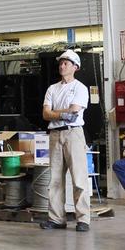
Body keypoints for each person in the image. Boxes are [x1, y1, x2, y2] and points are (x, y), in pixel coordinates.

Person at [39, 49, 92, 232]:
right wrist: (63, 114)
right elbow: (45, 114)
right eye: (61, 63)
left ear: (75, 67)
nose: (62, 66)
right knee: (55, 180)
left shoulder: (80, 88)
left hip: (73, 134)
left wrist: (56, 113)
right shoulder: (52, 89)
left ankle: (83, 219)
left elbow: (74, 111)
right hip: (55, 135)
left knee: (79, 178)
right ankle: (56, 219)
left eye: (66, 63)